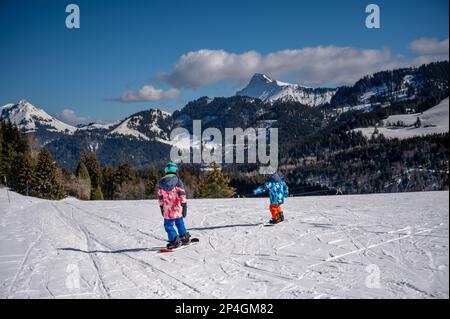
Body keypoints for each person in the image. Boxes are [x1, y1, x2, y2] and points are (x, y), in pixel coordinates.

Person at [157, 162, 190, 249]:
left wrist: (161, 206)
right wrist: (184, 205)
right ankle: (184, 237)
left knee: (168, 225)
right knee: (179, 222)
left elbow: (160, 196)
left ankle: (174, 240)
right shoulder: (178, 181)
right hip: (177, 207)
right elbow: (182, 194)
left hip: (167, 209)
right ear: (175, 170)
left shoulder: (161, 183)